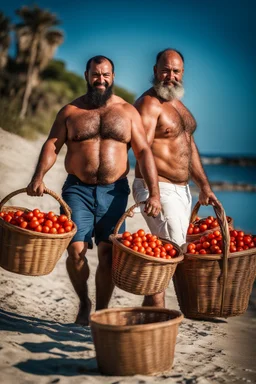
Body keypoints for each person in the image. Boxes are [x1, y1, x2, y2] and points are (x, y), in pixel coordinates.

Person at [27, 55, 161, 325]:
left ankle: (99, 310)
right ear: (87, 76)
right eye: (95, 74)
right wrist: (38, 177)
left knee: (108, 253)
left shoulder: (127, 112)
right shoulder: (70, 112)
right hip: (77, 190)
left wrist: (154, 193)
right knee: (75, 250)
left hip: (115, 192)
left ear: (113, 77)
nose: (101, 80)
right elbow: (53, 145)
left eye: (106, 75)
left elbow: (144, 152)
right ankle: (85, 303)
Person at [132, 48, 218, 308]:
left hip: (181, 191)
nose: (170, 75)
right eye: (166, 70)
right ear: (155, 71)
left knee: (172, 254)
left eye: (176, 71)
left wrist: (204, 186)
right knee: (171, 254)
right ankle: (155, 317)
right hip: (158, 190)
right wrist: (154, 193)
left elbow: (189, 146)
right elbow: (142, 149)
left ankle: (149, 317)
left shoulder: (179, 105)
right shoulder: (149, 104)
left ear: (182, 73)